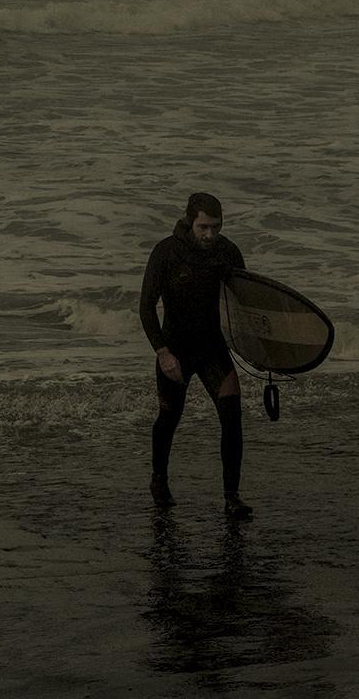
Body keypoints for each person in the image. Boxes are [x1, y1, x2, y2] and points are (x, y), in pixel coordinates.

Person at [138, 191, 253, 520]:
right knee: (169, 417)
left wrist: (259, 350)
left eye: (216, 227)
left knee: (231, 415)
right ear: (190, 222)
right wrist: (162, 353)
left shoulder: (227, 252)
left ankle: (232, 497)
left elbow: (244, 302)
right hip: (175, 348)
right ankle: (159, 479)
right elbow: (146, 307)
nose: (210, 235)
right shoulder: (166, 252)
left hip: (212, 348)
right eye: (203, 227)